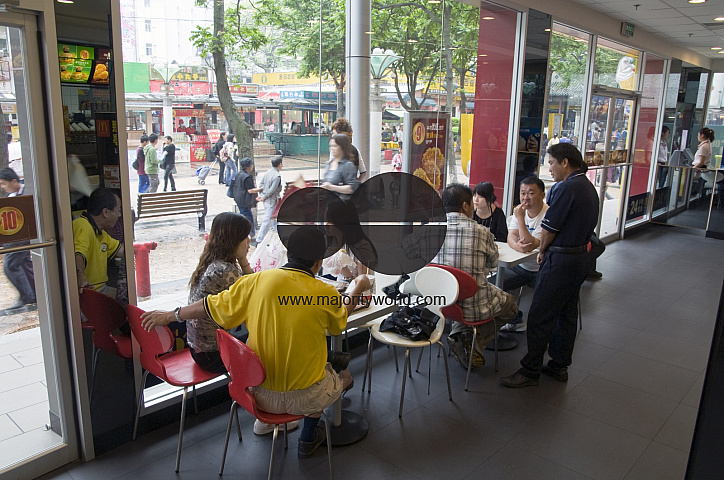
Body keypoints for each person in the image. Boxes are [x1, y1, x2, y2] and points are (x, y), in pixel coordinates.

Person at [140, 226, 370, 458]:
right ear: (319, 262)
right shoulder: (324, 292)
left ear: (289, 254)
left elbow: (210, 305)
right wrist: (358, 285)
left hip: (255, 395)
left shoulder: (255, 282)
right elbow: (339, 321)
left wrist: (172, 314)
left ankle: (274, 424)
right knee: (342, 375)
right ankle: (308, 438)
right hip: (305, 399)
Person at [500, 143, 598, 388]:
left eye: (551, 163)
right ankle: (559, 365)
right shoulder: (588, 187)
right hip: (579, 259)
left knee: (540, 315)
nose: (550, 169)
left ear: (565, 162)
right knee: (566, 313)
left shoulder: (565, 188)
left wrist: (542, 250)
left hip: (561, 260)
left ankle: (530, 369)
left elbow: (549, 230)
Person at [434, 184, 519, 369]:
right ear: (465, 206)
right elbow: (492, 264)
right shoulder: (481, 232)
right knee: (511, 307)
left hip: (441, 303)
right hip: (475, 305)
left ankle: (460, 335)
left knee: (468, 300)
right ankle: (475, 342)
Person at [186, 213, 254, 374]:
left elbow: (251, 285)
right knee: (273, 343)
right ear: (234, 241)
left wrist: (243, 259)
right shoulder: (226, 271)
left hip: (199, 350)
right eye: (245, 237)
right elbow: (255, 294)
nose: (249, 241)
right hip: (214, 356)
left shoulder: (212, 261)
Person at [499, 177, 549, 332]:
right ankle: (516, 320)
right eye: (522, 193)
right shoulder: (520, 211)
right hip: (520, 267)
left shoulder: (548, 215)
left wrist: (520, 218)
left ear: (542, 195)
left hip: (542, 269)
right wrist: (517, 247)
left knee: (544, 301)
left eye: (531, 193)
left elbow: (531, 243)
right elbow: (511, 236)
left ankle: (542, 330)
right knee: (497, 285)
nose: (525, 197)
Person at [73, 188, 124, 298]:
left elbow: (121, 251)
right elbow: (78, 253)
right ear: (105, 212)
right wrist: (80, 274)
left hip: (101, 288)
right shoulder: (83, 225)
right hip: (91, 292)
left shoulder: (100, 233)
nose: (119, 215)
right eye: (118, 210)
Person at [0, 168, 37, 315]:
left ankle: (27, 295)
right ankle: (31, 294)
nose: (3, 187)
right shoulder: (12, 196)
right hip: (16, 237)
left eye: (3, 183)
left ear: (14, 181)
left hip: (23, 237)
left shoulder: (27, 192)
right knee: (24, 265)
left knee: (10, 266)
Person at [321, 133, 360, 201]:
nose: (331, 149)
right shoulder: (328, 164)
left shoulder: (348, 165)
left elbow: (352, 188)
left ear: (342, 147)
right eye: (331, 146)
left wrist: (331, 187)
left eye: (335, 146)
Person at [232, 157, 262, 242]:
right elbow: (250, 190)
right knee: (248, 218)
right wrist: (261, 189)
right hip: (244, 201)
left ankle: (245, 234)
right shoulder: (247, 177)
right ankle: (252, 236)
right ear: (248, 167)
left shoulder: (238, 174)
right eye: (251, 165)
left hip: (238, 198)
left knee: (244, 216)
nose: (252, 166)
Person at [255, 156, 283, 243]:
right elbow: (273, 189)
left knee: (275, 219)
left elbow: (261, 184)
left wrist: (262, 194)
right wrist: (264, 196)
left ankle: (279, 235)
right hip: (271, 200)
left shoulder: (268, 172)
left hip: (266, 199)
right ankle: (260, 238)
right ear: (279, 164)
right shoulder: (277, 176)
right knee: (267, 220)